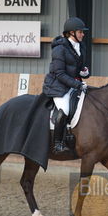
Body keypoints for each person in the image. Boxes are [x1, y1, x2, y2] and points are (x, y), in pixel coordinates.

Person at [42, 17, 90, 154]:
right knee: (64, 110)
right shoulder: (59, 49)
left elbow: (80, 67)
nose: (83, 34)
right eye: (80, 32)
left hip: (75, 84)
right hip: (58, 86)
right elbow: (59, 74)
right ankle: (58, 143)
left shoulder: (81, 46)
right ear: (71, 33)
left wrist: (85, 72)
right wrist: (78, 85)